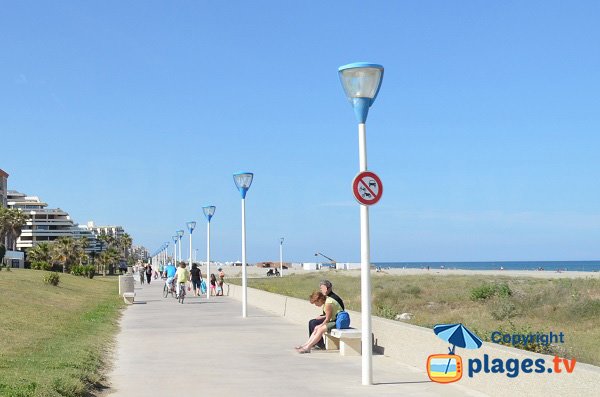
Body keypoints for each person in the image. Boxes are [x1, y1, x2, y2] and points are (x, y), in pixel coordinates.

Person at [307, 280, 345, 350]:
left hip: (334, 319)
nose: (322, 290)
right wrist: (322, 316)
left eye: (323, 288)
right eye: (321, 289)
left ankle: (320, 345)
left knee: (314, 323)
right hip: (330, 317)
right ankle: (313, 343)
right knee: (311, 321)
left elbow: (334, 313)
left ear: (329, 288)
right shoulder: (326, 297)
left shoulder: (333, 298)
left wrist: (323, 316)